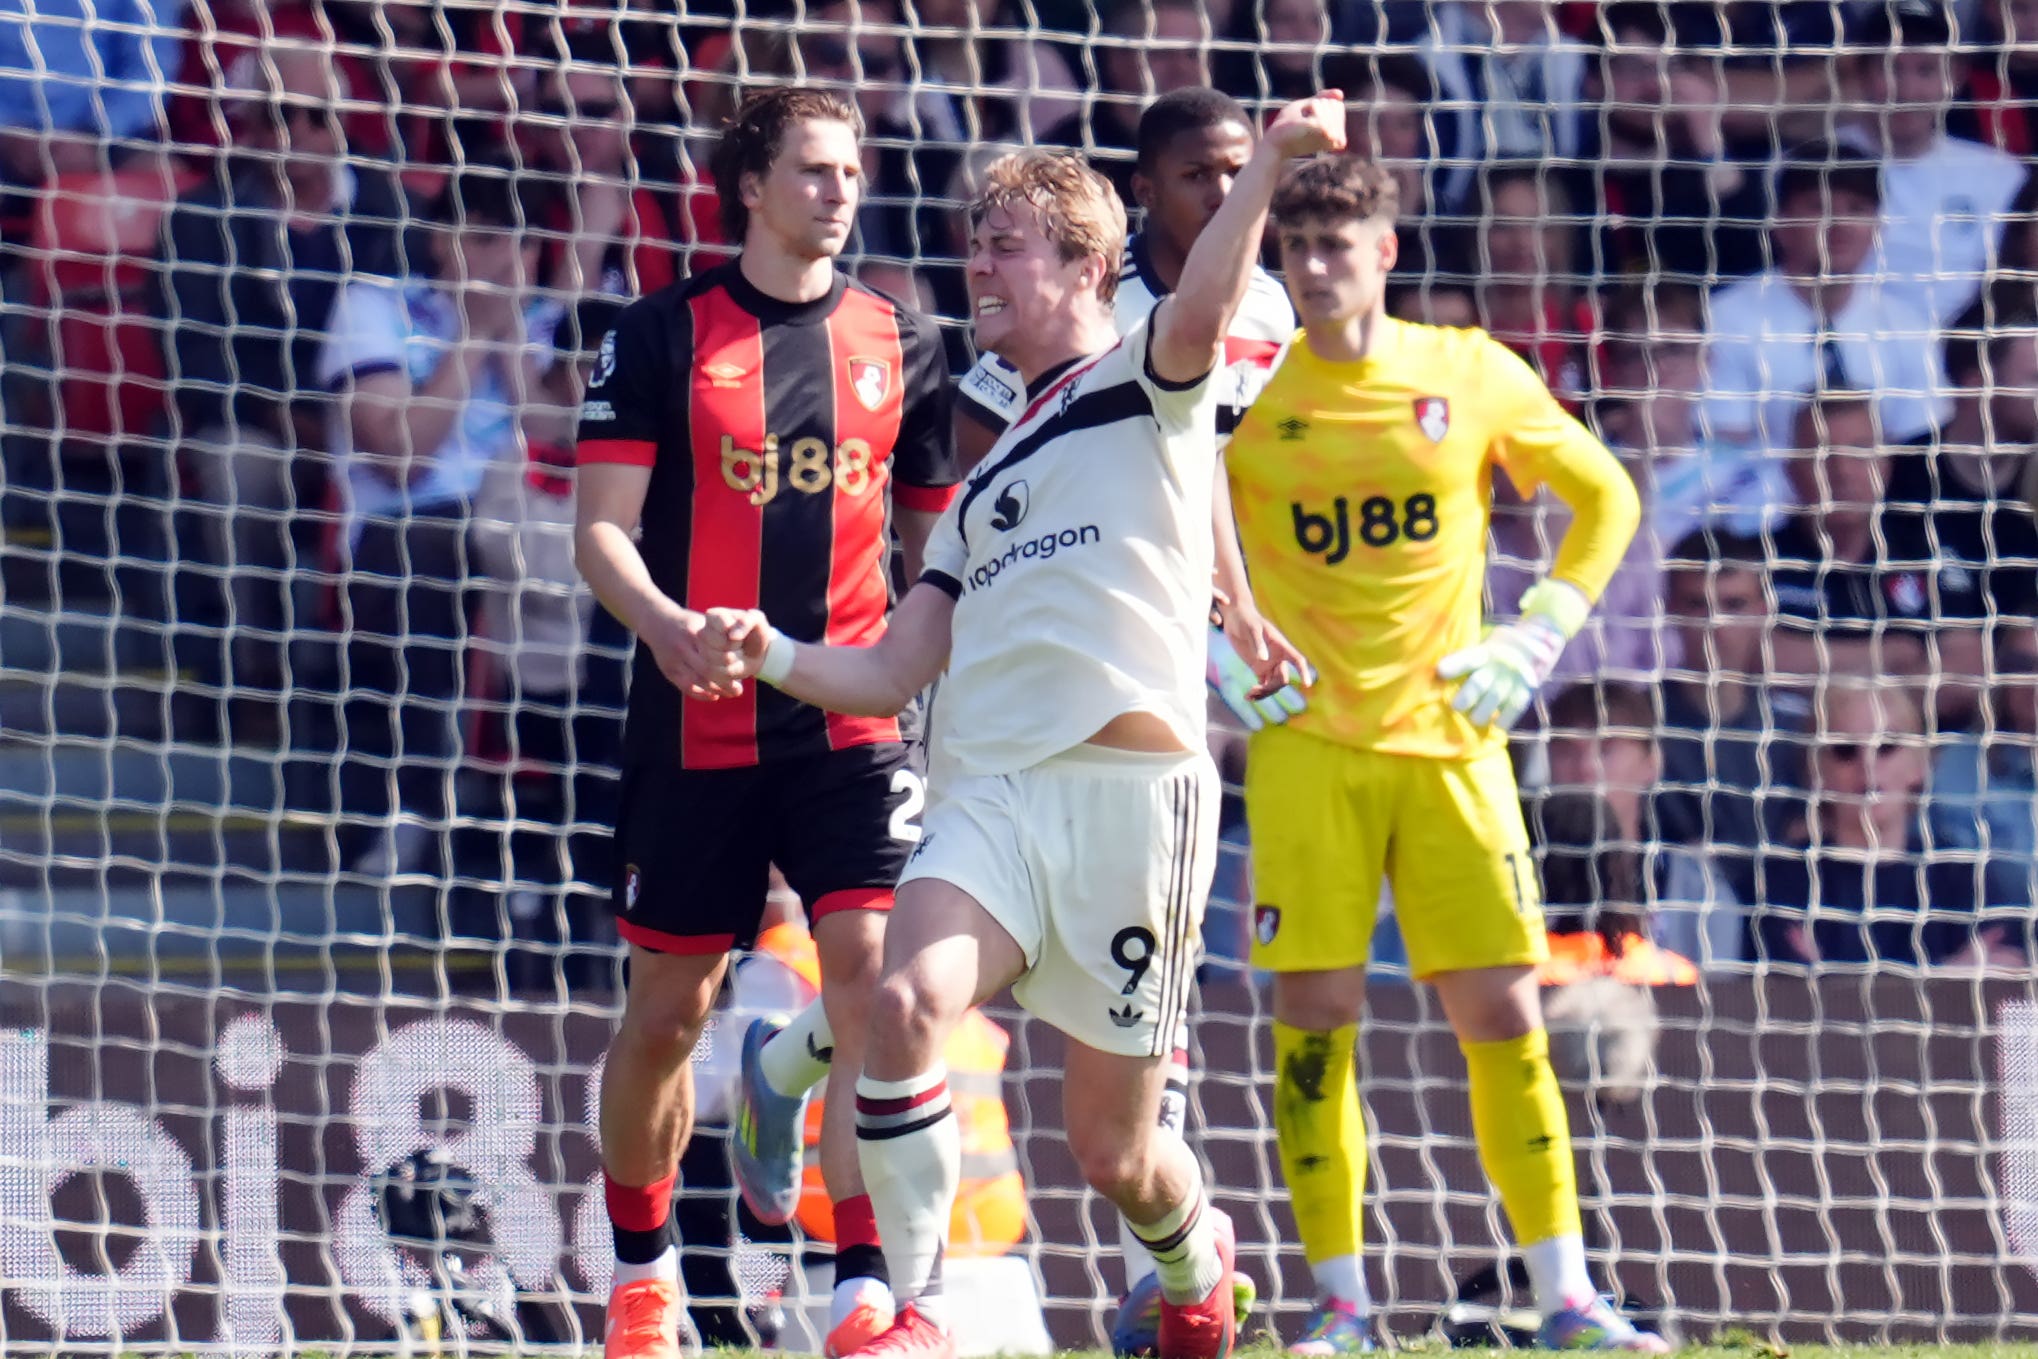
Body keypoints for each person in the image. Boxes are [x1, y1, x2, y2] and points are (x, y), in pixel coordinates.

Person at [701, 92, 1351, 1359]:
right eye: (976, 241)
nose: (976, 267)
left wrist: (1270, 160)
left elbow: (1208, 316)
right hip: (988, 796)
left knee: (1113, 1152)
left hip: (1133, 807)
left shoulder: (1152, 377)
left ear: (1085, 269)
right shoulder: (978, 484)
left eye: (1003, 244)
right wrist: (766, 652)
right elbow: (892, 671)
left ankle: (1192, 1260)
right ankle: (919, 1311)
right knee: (900, 1008)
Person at [1216, 153, 1665, 1353]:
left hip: (1452, 744)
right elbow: (1159, 518)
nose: (1312, 268)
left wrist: (1542, 631)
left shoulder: (1465, 372)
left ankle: (1565, 1295)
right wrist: (1217, 645)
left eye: (1334, 244)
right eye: (1294, 246)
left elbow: (1605, 496)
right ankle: (1341, 1306)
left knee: (1507, 1020)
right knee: (1313, 1024)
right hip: (1306, 745)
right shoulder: (1245, 389)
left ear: (1386, 252)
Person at [571, 88, 960, 1359]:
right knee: (668, 1014)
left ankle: (859, 1283)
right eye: (813, 169)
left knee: (874, 988)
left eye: (851, 170)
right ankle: (642, 1274)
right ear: (750, 184)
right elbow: (600, 533)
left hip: (847, 719)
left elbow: (929, 542)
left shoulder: (904, 338)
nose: (840, 190)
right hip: (696, 720)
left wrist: (938, 672)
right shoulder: (658, 334)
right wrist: (668, 625)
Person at [318, 159, 559, 878]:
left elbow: (561, 443)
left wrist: (509, 338)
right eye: (479, 238)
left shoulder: (552, 324)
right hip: (407, 530)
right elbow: (402, 458)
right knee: (432, 552)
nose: (494, 259)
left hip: (531, 533)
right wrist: (474, 335)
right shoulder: (374, 307)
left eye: (512, 243)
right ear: (438, 240)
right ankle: (414, 806)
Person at [162, 44, 408, 713]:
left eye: (310, 116)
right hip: (265, 423)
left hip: (372, 423)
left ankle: (373, 694)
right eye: (274, 116)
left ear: (340, 122)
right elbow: (199, 356)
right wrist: (285, 419)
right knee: (238, 466)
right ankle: (256, 675)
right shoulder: (202, 216)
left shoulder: (394, 209)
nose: (291, 133)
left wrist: (349, 420)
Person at [1703, 143, 1948, 455]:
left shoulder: (1908, 325)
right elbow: (1726, 452)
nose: (1839, 225)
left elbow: (1917, 446)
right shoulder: (1725, 320)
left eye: (1856, 209)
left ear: (1878, 226)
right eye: (1818, 207)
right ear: (1780, 224)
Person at [1845, 0, 2028, 325]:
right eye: (1890, 69)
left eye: (1926, 70)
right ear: (1861, 73)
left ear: (1955, 78)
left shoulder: (2000, 177)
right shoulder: (1813, 165)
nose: (1907, 90)